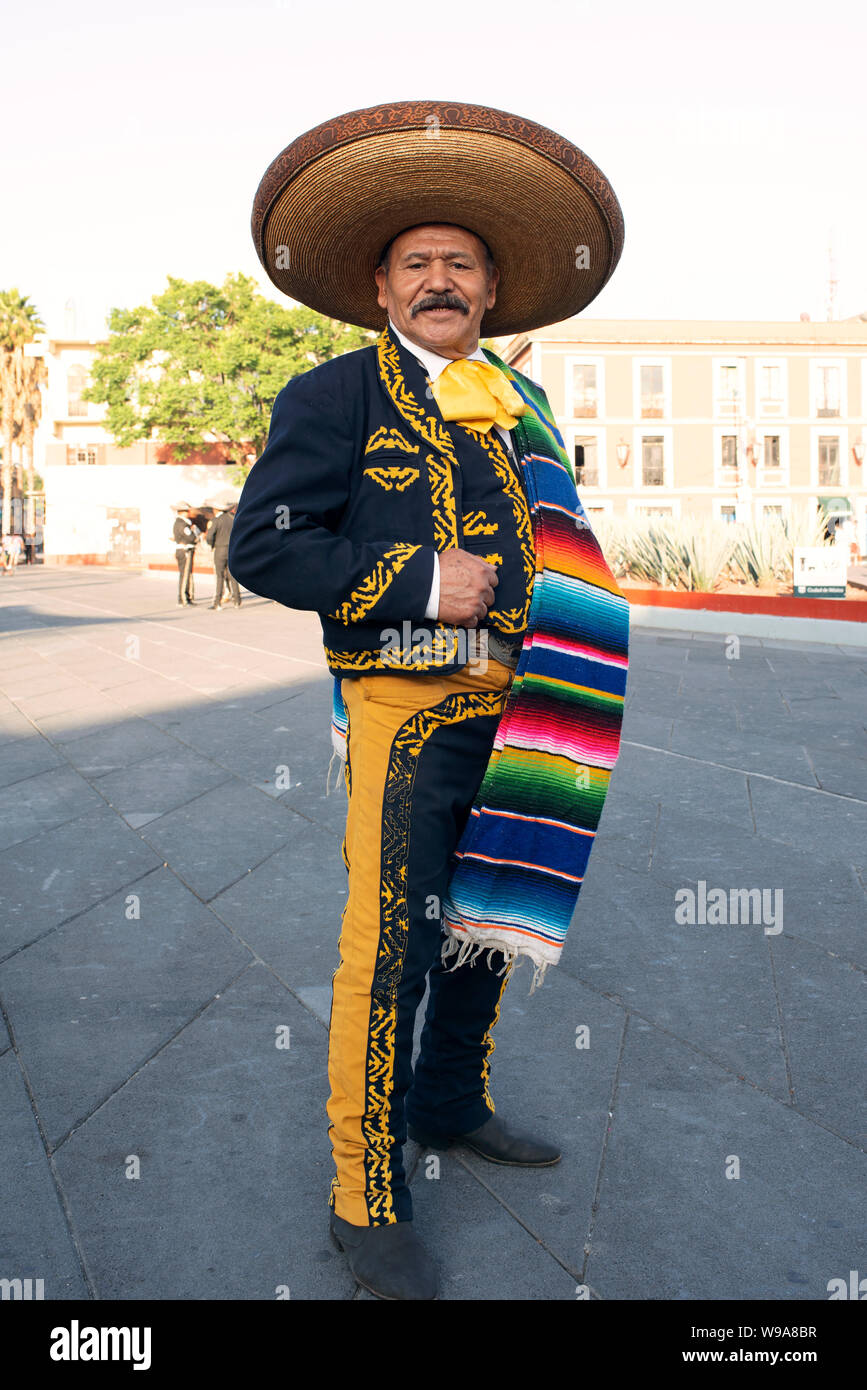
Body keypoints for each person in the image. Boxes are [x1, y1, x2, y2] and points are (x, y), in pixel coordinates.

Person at [228, 100, 629, 1301]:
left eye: (462, 263)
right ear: (382, 288)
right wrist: (412, 575)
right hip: (408, 712)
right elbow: (266, 544)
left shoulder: (526, 412)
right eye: (419, 263)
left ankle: (453, 1107)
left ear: (493, 288)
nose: (441, 280)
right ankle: (366, 1193)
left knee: (483, 934)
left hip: (528, 709)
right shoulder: (336, 393)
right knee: (389, 949)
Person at [204, 501, 241, 609]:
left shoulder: (216, 520)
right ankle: (237, 600)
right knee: (232, 575)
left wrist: (211, 545)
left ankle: (217, 602)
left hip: (219, 549)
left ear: (216, 510)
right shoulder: (232, 518)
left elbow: (209, 537)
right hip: (231, 549)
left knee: (219, 576)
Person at [171, 502, 199, 606]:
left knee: (188, 574)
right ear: (182, 512)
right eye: (186, 511)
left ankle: (188, 596)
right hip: (185, 551)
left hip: (186, 550)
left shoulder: (182, 523)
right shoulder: (182, 524)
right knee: (185, 574)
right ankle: (182, 598)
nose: (188, 513)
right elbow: (190, 537)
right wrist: (195, 534)